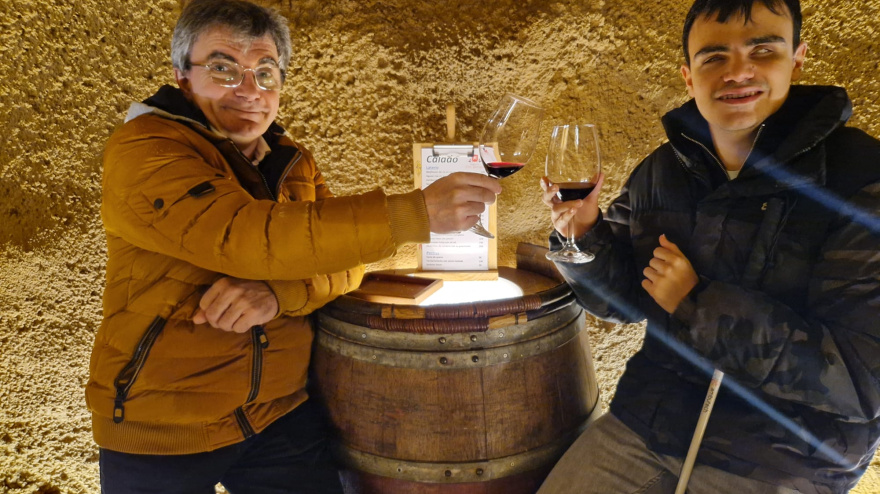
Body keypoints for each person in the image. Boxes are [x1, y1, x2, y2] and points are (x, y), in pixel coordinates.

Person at [85, 0, 501, 492]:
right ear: (182, 76)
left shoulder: (292, 160)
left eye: (266, 72)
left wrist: (278, 294)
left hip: (279, 412)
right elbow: (244, 236)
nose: (249, 90)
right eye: (223, 68)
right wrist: (414, 214)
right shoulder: (146, 147)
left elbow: (346, 263)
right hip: (165, 420)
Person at [538, 0, 880, 493]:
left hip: (787, 456)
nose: (738, 72)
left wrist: (696, 304)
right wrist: (585, 233)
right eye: (714, 57)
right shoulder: (662, 171)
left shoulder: (860, 179)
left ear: (797, 58)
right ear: (688, 75)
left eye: (762, 50)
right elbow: (620, 305)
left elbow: (860, 381)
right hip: (647, 422)